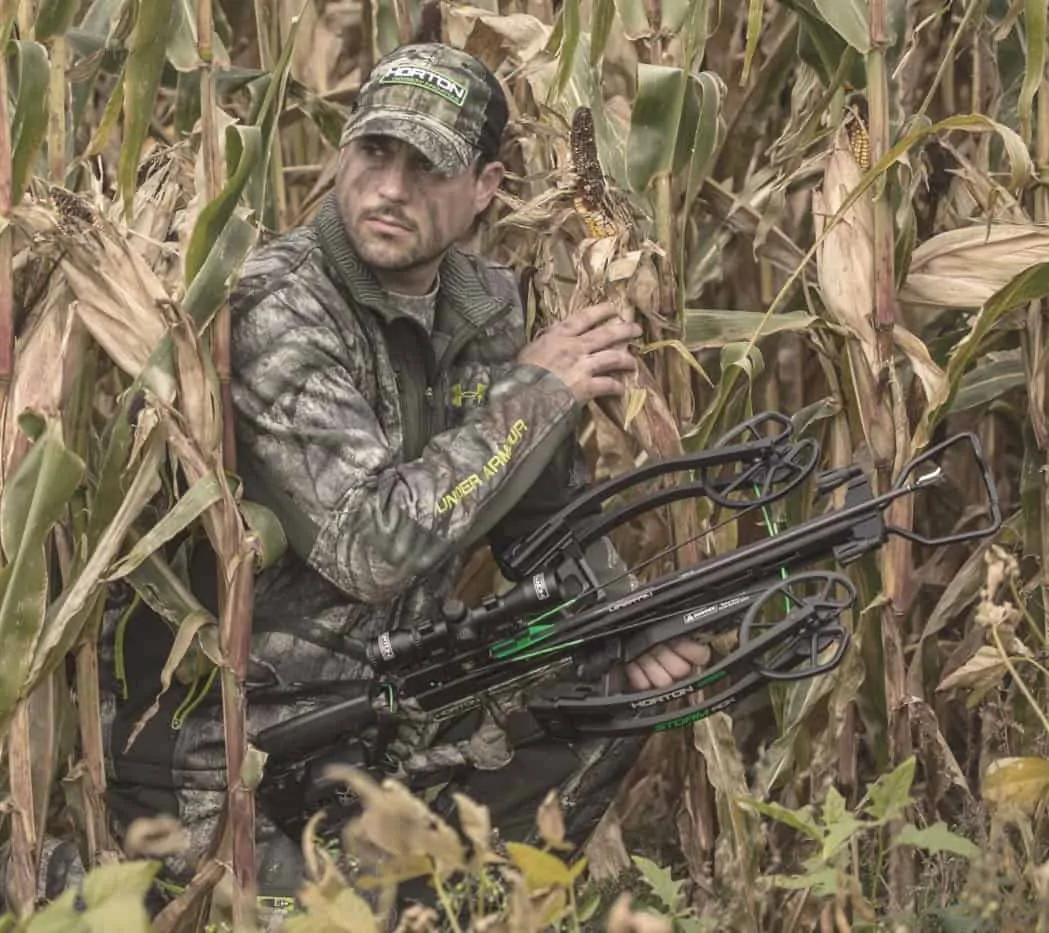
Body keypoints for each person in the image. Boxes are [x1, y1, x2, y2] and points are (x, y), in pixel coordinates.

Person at [103, 41, 709, 922]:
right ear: (343, 154)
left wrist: (630, 629)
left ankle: (468, 909)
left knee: (610, 683)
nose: (390, 188)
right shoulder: (277, 305)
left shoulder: (484, 308)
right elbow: (368, 545)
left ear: (487, 189)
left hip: (389, 717)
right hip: (226, 754)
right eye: (375, 154)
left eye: (429, 168)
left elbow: (545, 523)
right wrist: (532, 398)